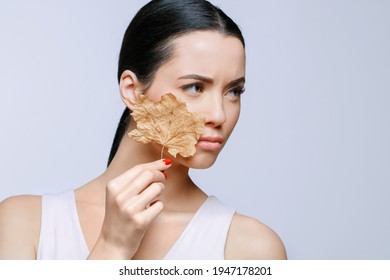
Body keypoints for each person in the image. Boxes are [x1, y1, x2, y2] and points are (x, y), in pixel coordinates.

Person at [0, 0, 287, 260]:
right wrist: (112, 247)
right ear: (133, 91)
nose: (219, 114)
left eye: (234, 91)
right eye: (195, 87)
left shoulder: (251, 248)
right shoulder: (24, 224)